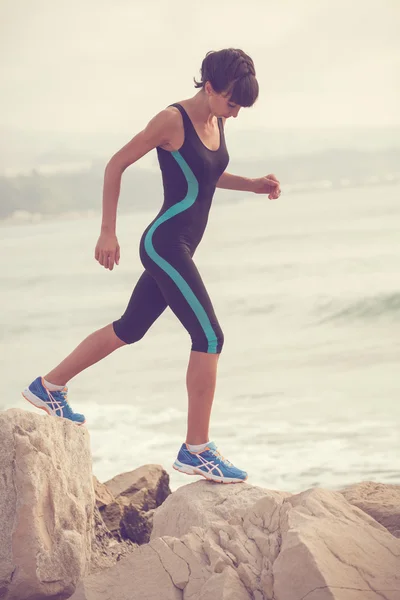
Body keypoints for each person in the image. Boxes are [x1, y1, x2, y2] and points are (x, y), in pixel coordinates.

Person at [22, 48, 281, 484]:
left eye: (240, 107)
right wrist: (108, 231)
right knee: (210, 335)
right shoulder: (171, 120)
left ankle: (48, 386)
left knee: (130, 327)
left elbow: (205, 175)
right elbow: (116, 164)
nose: (235, 113)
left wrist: (252, 185)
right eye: (232, 102)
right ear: (211, 86)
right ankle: (196, 448)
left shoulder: (215, 120)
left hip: (181, 247)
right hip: (165, 244)